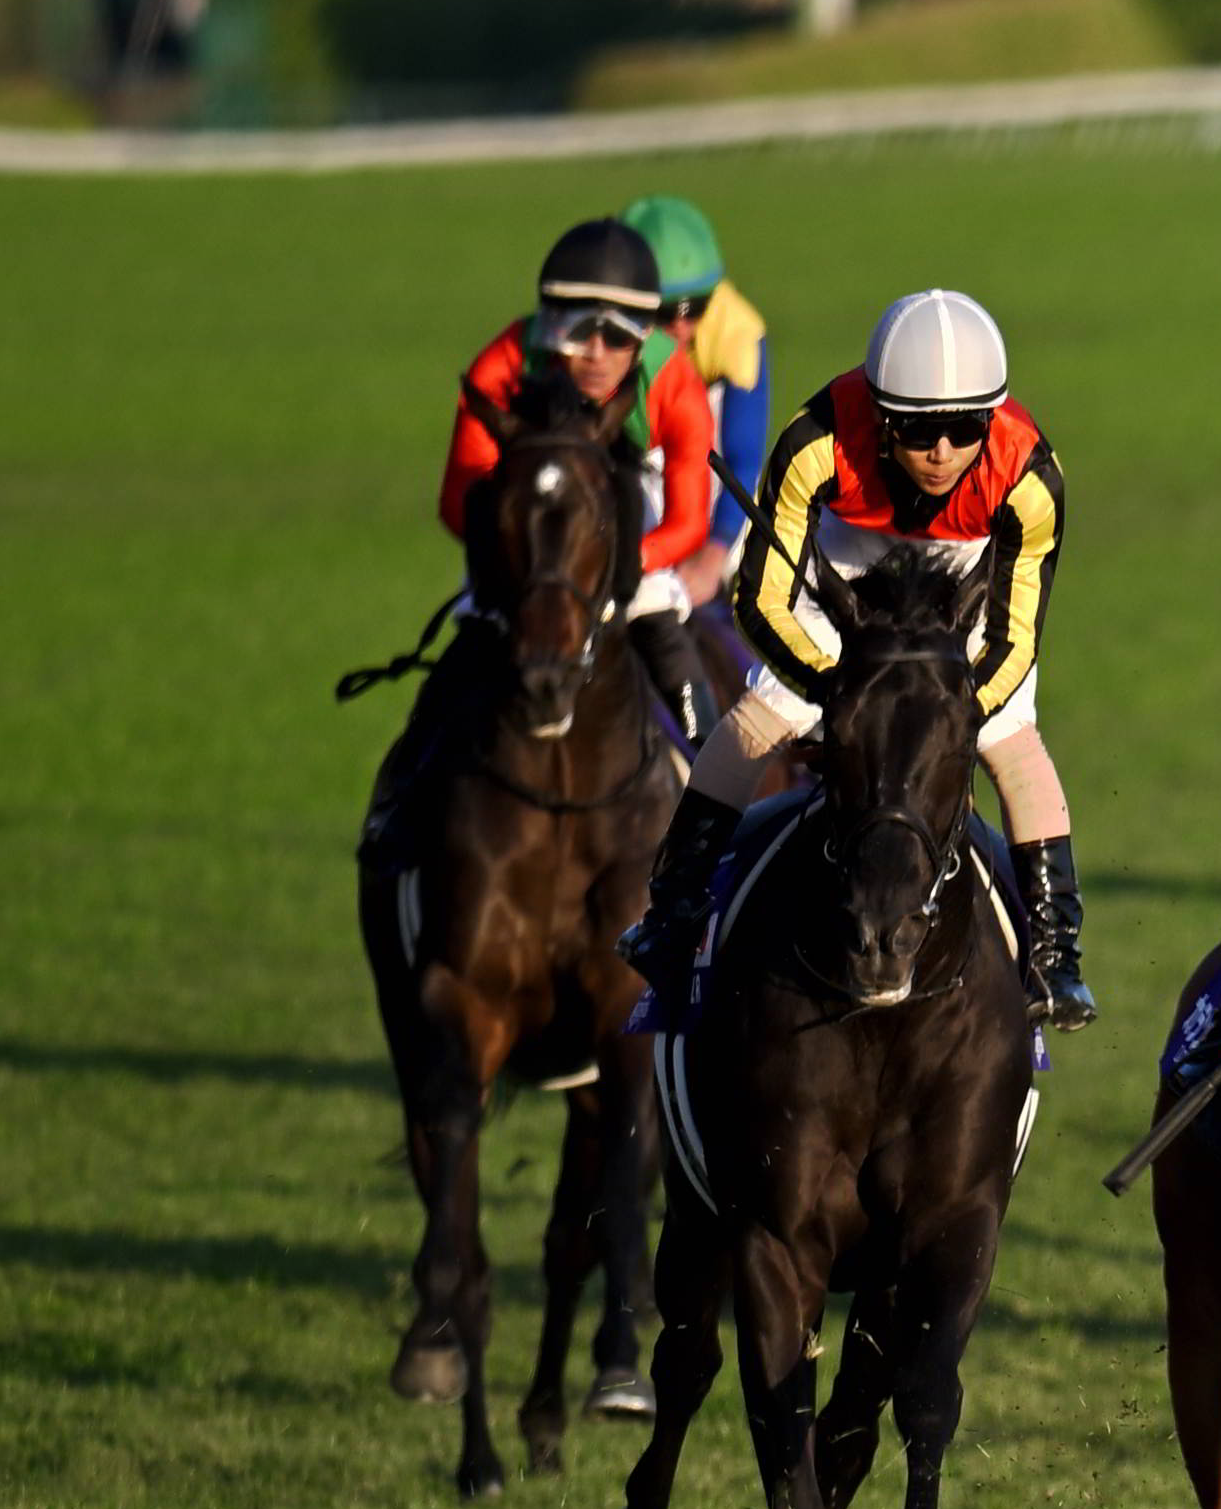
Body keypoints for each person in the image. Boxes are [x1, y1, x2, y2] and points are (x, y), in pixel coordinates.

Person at [629, 288, 1095, 1030]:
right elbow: (762, 601)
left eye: (965, 429)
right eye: (917, 430)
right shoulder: (816, 442)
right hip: (848, 556)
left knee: (1011, 740)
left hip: (968, 566)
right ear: (879, 419)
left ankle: (1055, 956)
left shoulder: (1030, 479)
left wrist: (957, 709)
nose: (942, 453)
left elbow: (1015, 639)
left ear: (993, 418)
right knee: (763, 714)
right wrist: (838, 691)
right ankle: (673, 912)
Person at [433, 214, 725, 753]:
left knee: (656, 614)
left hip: (628, 523)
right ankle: (406, 781)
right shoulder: (501, 366)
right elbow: (458, 502)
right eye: (576, 331)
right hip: (525, 538)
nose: (595, 352)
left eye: (618, 335)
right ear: (548, 327)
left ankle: (709, 767)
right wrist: (530, 565)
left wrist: (618, 562)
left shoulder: (673, 382)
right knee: (469, 640)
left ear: (645, 336)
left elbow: (688, 523)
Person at [626, 191, 773, 551]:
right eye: (664, 312)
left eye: (695, 307)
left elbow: (742, 458)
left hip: (702, 472)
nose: (680, 325)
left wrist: (717, 548)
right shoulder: (601, 336)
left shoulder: (736, 330)